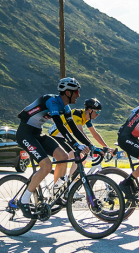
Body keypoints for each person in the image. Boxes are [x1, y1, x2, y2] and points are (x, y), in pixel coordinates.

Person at [15, 77, 93, 217]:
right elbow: (60, 126)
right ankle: (24, 200)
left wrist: (91, 146)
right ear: (68, 92)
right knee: (47, 166)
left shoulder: (66, 107)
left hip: (37, 133)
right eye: (76, 92)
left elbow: (73, 129)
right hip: (25, 134)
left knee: (63, 157)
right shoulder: (52, 101)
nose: (78, 95)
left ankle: (56, 192)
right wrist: (75, 144)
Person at [49, 97, 113, 179]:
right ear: (90, 110)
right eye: (97, 111)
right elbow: (80, 132)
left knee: (82, 160)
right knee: (77, 156)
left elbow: (95, 134)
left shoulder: (87, 118)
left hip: (64, 137)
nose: (98, 114)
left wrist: (107, 147)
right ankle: (66, 182)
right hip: (56, 136)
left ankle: (70, 182)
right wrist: (92, 146)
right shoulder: (77, 114)